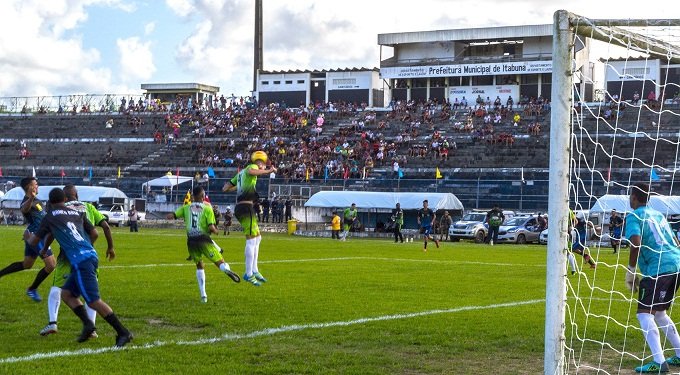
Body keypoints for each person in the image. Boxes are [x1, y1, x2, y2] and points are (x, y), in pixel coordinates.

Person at [24, 187, 132, 347]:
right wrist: (84, 247)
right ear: (65, 200)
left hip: (81, 260)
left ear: (51, 202)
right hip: (88, 255)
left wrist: (28, 237)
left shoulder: (49, 216)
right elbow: (95, 233)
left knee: (94, 301)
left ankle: (123, 332)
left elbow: (34, 241)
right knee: (67, 294)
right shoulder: (77, 213)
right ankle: (88, 325)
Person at [39, 184, 115, 336]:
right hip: (88, 254)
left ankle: (52, 322)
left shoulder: (61, 209)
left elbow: (53, 232)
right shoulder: (88, 207)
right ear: (77, 195)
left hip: (66, 254)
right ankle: (92, 328)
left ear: (64, 197)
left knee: (57, 288)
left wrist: (44, 247)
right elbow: (105, 227)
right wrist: (110, 248)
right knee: (91, 294)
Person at [624, 183, 680, 373]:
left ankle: (659, 362)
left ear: (633, 197)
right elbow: (676, 241)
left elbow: (636, 244)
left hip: (658, 268)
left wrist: (631, 270)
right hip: (676, 264)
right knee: (660, 313)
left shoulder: (634, 216)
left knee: (644, 314)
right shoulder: (659, 215)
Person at [167, 186, 240, 302]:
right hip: (203, 239)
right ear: (202, 196)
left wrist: (171, 215)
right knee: (219, 261)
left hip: (191, 240)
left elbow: (171, 216)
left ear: (192, 197)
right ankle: (225, 269)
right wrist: (216, 231)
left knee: (199, 265)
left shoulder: (186, 208)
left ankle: (203, 295)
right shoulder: (207, 208)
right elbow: (211, 227)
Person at [222, 150, 277, 286]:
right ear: (260, 163)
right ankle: (248, 273)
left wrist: (237, 187)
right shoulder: (251, 167)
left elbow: (225, 188)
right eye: (263, 164)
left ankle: (254, 269)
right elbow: (253, 172)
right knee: (251, 240)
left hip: (243, 207)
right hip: (246, 207)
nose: (263, 167)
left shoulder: (240, 173)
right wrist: (268, 171)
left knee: (258, 237)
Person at [0, 177, 56, 302]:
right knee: (51, 264)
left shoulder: (38, 201)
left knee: (27, 264)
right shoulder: (27, 201)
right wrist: (31, 197)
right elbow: (24, 209)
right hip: (35, 237)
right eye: (35, 184)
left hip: (35, 235)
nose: (38, 186)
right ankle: (32, 289)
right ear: (29, 187)